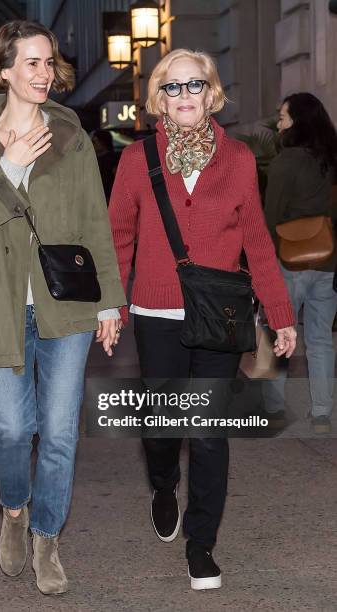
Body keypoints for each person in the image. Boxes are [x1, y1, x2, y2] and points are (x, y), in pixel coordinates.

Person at [0, 20, 125, 595]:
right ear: (6, 70)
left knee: (61, 431)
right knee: (14, 428)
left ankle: (47, 537)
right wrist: (11, 166)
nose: (44, 73)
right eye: (32, 63)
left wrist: (111, 301)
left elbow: (96, 220)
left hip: (66, 305)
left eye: (49, 62)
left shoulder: (70, 134)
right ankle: (14, 510)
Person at [108, 48, 297, 591]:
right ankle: (164, 483)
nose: (185, 95)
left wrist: (279, 314)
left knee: (210, 434)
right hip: (155, 311)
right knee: (164, 427)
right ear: (158, 99)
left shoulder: (237, 159)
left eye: (195, 85)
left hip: (220, 314)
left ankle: (201, 544)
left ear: (212, 93)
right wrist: (113, 306)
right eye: (173, 87)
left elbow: (258, 243)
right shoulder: (137, 160)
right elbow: (119, 235)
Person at [264, 93, 337, 435]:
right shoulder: (331, 159)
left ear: (297, 121)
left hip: (287, 262)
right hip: (327, 261)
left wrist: (261, 261)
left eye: (282, 117)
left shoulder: (285, 162)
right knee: (321, 339)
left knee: (280, 333)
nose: (279, 123)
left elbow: (271, 216)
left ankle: (276, 410)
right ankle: (321, 413)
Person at [91, 129, 119, 203]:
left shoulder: (111, 159)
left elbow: (118, 180)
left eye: (94, 141)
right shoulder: (93, 159)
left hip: (108, 200)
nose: (92, 144)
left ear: (103, 142)